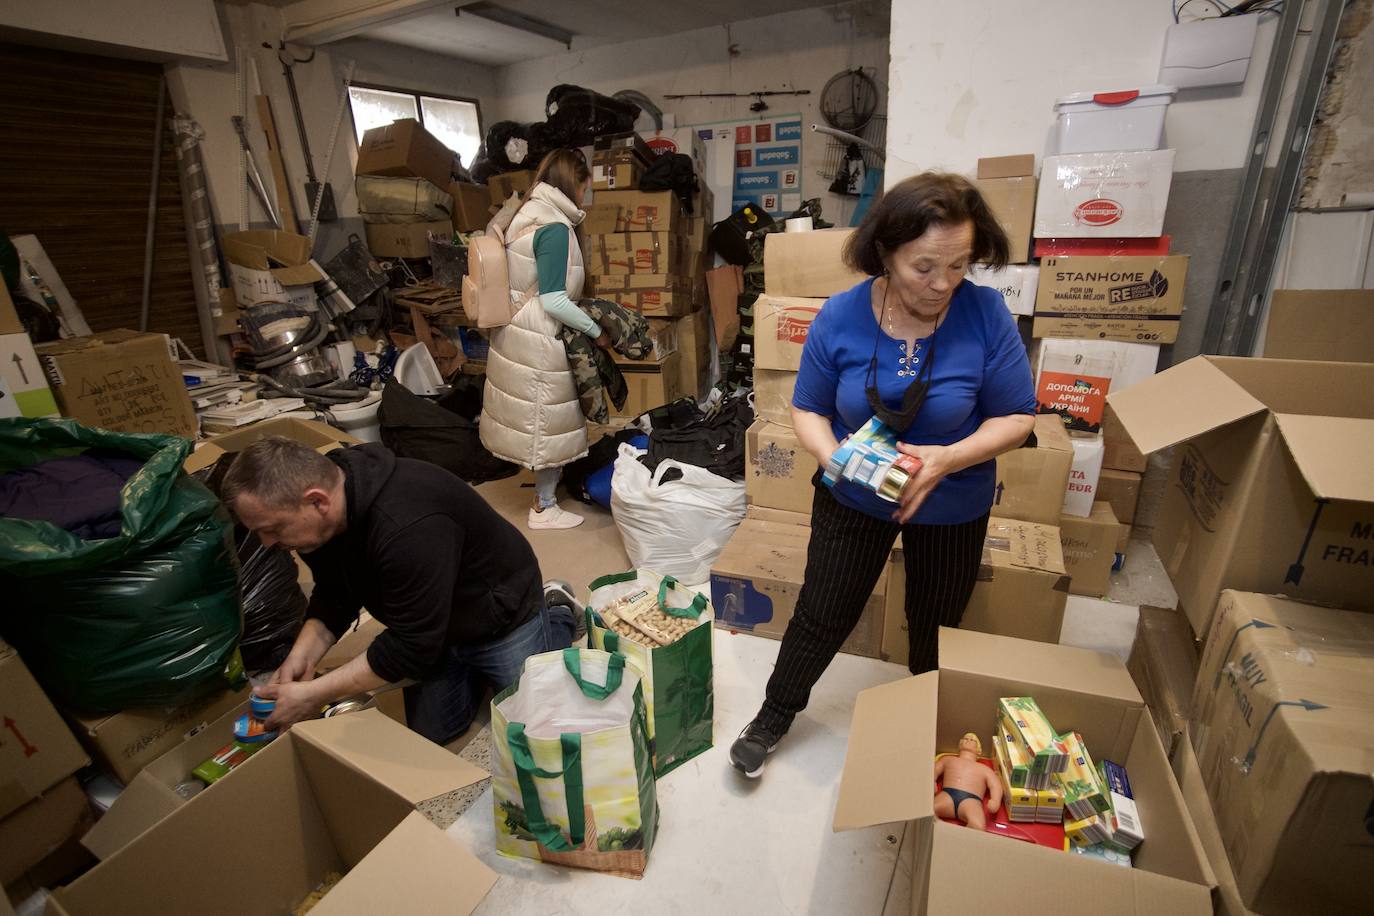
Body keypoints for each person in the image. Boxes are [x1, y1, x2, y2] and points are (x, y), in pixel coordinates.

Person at [729, 172, 1037, 778]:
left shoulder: (985, 313)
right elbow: (807, 408)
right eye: (924, 267)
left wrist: (944, 459)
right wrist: (835, 460)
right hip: (855, 497)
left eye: (959, 265)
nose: (943, 284)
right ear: (886, 252)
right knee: (822, 611)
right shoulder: (841, 317)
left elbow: (1018, 418)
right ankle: (774, 714)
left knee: (935, 625)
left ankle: (925, 734)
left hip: (953, 501)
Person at [220, 436, 578, 745]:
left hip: (499, 612)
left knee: (535, 725)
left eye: (272, 528)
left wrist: (313, 694)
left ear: (317, 501)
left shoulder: (407, 526)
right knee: (434, 732)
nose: (266, 543)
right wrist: (303, 654)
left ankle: (556, 610)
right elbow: (335, 591)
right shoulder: (328, 509)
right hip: (429, 621)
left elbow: (410, 650)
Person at [480, 148, 613, 531]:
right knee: (547, 420)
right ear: (575, 183)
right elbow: (554, 299)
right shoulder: (553, 227)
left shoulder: (524, 213)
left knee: (539, 420)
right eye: (586, 188)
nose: (586, 196)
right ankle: (543, 506)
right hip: (540, 339)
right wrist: (596, 330)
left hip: (517, 330)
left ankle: (545, 496)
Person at [934, 733, 1002, 830]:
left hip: (971, 801)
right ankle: (941, 830)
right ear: (960, 744)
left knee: (978, 826)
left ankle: (959, 838)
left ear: (979, 751)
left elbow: (995, 785)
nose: (968, 740)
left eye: (972, 740)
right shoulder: (948, 759)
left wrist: (995, 801)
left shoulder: (985, 769)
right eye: (965, 738)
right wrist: (931, 782)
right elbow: (935, 769)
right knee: (927, 811)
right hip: (947, 795)